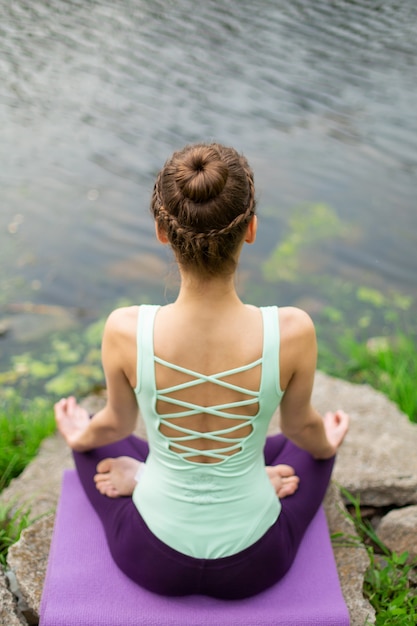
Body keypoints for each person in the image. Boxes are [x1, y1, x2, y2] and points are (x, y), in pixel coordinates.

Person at [54, 142, 349, 599]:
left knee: (92, 441)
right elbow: (300, 426)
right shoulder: (291, 330)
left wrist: (79, 437)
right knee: (314, 448)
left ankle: (143, 476)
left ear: (161, 232)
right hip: (256, 562)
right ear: (250, 229)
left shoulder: (125, 328)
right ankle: (246, 478)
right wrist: (326, 442)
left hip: (151, 557)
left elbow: (118, 423)